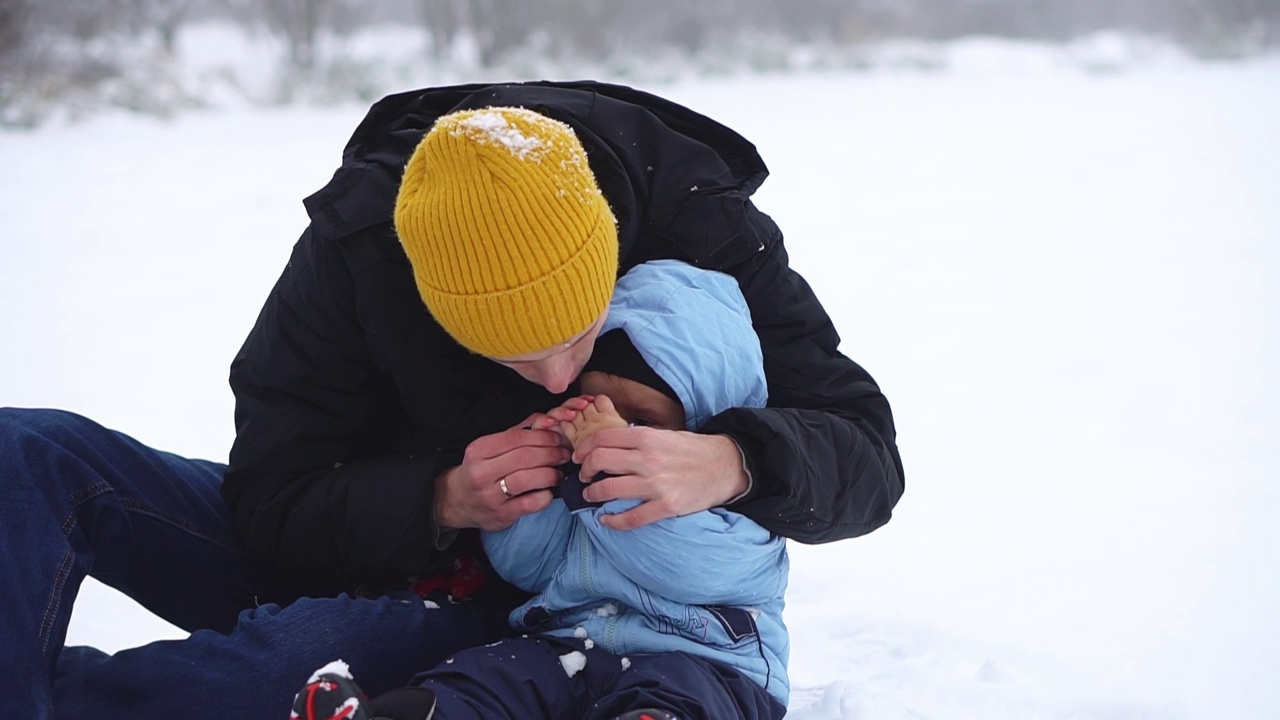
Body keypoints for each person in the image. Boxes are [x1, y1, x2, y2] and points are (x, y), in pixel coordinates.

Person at [0, 81, 902, 719]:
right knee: (28, 456)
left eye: (578, 339)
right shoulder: (360, 247)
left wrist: (735, 461)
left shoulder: (701, 226)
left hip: (511, 617)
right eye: (511, 357)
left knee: (276, 671)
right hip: (353, 538)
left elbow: (868, 462)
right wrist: (438, 498)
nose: (555, 381)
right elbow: (269, 497)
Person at [292, 259, 789, 720]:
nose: (609, 428)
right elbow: (526, 565)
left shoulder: (734, 497)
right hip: (564, 647)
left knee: (675, 692)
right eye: (597, 406)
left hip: (706, 662)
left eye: (638, 421)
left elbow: (684, 569)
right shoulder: (582, 481)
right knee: (491, 674)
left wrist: (605, 473)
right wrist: (540, 481)